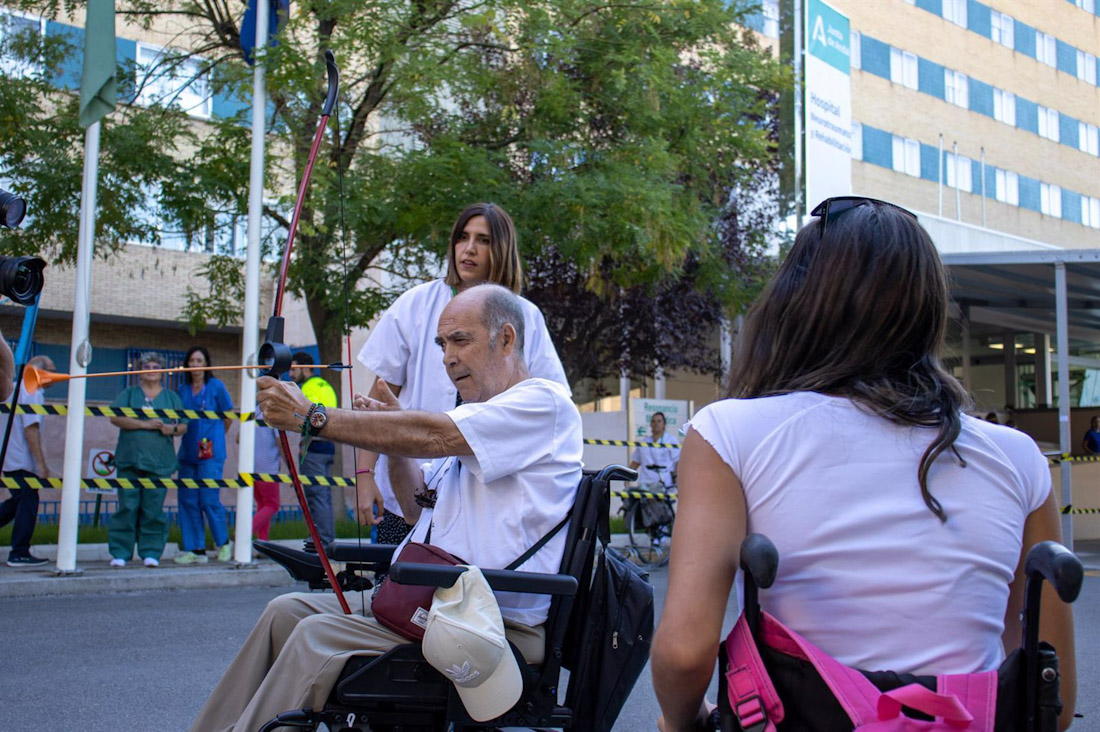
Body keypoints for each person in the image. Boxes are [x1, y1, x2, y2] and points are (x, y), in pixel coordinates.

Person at [651, 197, 1077, 732]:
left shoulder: (730, 433)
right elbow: (1049, 693)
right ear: (927, 311)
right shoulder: (1017, 458)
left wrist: (682, 721)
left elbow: (685, 654)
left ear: (797, 303)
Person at [190, 284, 582, 732]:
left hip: (488, 623)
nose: (447, 357)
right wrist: (396, 447)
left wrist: (314, 417)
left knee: (315, 637)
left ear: (506, 339)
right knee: (285, 612)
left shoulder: (544, 403)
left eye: (460, 340)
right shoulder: (483, 419)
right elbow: (417, 507)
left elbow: (435, 434)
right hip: (433, 604)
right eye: (442, 344)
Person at [354, 202, 568, 548]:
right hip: (409, 490)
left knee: (461, 594)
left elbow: (549, 398)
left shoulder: (526, 317)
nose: (469, 249)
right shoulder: (415, 304)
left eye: (483, 240)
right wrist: (364, 473)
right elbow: (380, 395)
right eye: (462, 238)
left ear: (502, 249)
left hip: (486, 498)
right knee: (396, 591)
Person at [107, 351, 188, 568]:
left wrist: (171, 429)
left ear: (162, 372)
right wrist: (144, 424)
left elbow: (183, 425)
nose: (151, 371)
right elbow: (115, 417)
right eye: (147, 367)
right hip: (129, 459)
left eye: (156, 368)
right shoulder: (129, 393)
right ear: (140, 371)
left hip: (160, 462)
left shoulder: (171, 397)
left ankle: (151, 552)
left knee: (153, 509)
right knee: (127, 507)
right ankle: (121, 553)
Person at [175, 346, 234, 564]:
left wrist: (215, 436)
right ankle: (195, 549)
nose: (195, 365)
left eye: (199, 361)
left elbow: (229, 417)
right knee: (188, 499)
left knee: (209, 499)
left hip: (211, 452)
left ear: (206, 364)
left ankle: (223, 543)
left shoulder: (216, 387)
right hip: (188, 452)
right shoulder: (182, 390)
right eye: (191, 361)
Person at [1, 354, 55, 567]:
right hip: (22, 460)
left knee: (16, 503)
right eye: (51, 371)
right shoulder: (32, 390)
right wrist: (41, 463)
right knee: (28, 502)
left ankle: (20, 551)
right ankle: (19, 552)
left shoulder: (12, 388)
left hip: (8, 458)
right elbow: (31, 429)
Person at [290, 352, 338, 548]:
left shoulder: (306, 389)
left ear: (306, 368)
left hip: (314, 447)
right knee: (323, 495)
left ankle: (322, 541)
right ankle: (325, 538)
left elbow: (302, 419)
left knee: (316, 495)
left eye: (293, 369)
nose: (291, 375)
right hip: (329, 446)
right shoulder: (326, 386)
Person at [250, 407, 283, 541]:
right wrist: (292, 471)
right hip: (268, 468)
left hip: (252, 468)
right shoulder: (274, 413)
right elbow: (281, 444)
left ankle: (263, 541)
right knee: (272, 505)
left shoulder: (254, 411)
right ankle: (245, 531)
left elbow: (238, 438)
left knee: (263, 505)